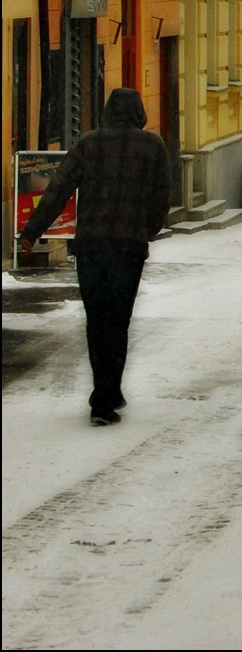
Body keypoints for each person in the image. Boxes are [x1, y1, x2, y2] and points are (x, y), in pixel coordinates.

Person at [17, 87, 170, 426]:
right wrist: (146, 229)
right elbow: (161, 197)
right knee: (118, 321)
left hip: (91, 247)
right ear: (139, 113)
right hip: (128, 248)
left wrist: (32, 231)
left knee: (97, 320)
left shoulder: (88, 143)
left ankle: (104, 394)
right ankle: (107, 395)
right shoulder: (152, 146)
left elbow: (59, 188)